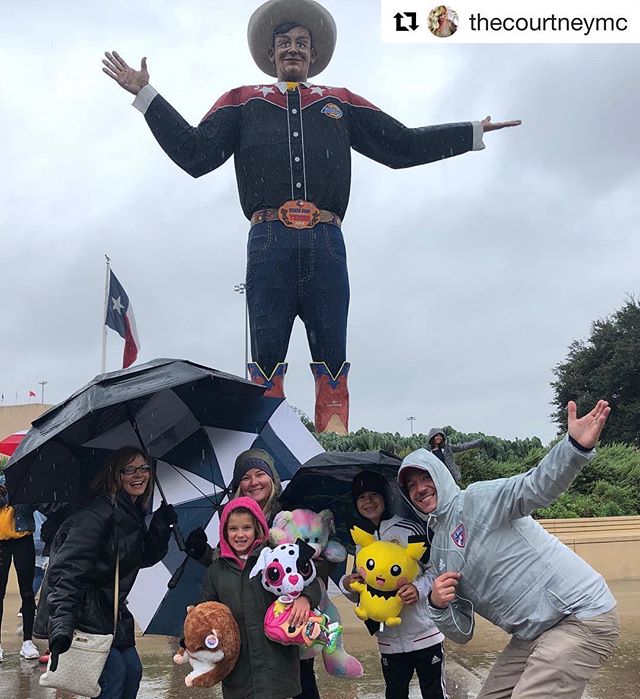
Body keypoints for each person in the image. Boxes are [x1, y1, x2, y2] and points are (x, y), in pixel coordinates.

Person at [101, 0, 521, 435]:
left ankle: (332, 455)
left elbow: (401, 145)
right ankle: (269, 457)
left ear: (314, 55)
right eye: (284, 43)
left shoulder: (339, 102)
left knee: (333, 360)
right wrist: (145, 95)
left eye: (302, 43)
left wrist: (470, 133)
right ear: (271, 53)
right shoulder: (242, 102)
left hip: (326, 240)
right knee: (264, 361)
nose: (293, 50)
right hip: (268, 240)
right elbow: (195, 153)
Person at [398, 400, 620, 699]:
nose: (420, 487)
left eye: (425, 477)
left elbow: (536, 487)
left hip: (579, 615)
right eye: (411, 485)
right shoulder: (438, 553)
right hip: (532, 634)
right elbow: (462, 632)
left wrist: (572, 449)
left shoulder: (478, 499)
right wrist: (437, 605)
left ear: (441, 475)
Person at [43, 447, 177, 699]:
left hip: (113, 610)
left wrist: (161, 526)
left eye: (144, 468)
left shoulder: (131, 511)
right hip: (88, 611)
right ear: (115, 474)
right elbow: (66, 569)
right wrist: (61, 623)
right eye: (129, 469)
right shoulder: (98, 514)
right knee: (115, 674)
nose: (139, 475)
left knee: (133, 671)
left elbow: (137, 558)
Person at [200, 496, 322, 699]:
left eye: (246, 528)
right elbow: (204, 611)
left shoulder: (275, 558)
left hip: (277, 669)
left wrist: (305, 598)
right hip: (238, 675)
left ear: (258, 528)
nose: (240, 535)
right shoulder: (216, 571)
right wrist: (191, 638)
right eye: (233, 529)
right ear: (224, 531)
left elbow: (311, 582)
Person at [340, 471, 447, 699]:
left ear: (385, 496)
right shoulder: (362, 541)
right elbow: (356, 585)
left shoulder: (410, 529)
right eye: (361, 497)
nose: (368, 502)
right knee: (395, 694)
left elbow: (437, 569)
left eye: (373, 495)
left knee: (434, 693)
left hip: (424, 634)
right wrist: (348, 584)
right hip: (388, 640)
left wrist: (418, 589)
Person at [0, 473, 40, 660]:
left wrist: (25, 493)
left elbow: (37, 505)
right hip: (1, 541)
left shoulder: (28, 481)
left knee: (27, 590)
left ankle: (27, 641)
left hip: (23, 538)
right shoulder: (1, 483)